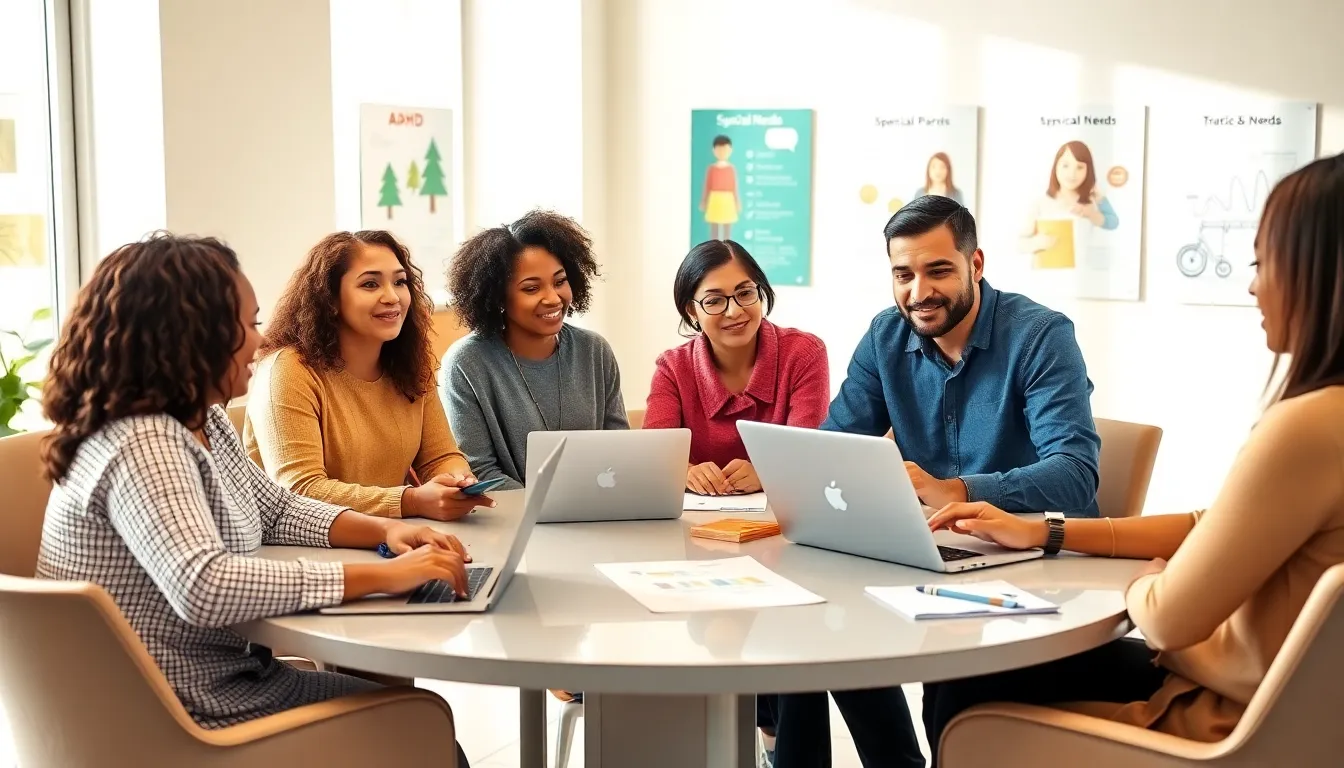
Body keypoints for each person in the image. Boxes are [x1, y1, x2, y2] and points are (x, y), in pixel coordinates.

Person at [921, 153, 1344, 764]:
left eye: (1262, 260)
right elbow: (1210, 523)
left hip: (1220, 725)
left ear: (1321, 272)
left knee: (966, 683)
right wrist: (1046, 530)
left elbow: (1169, 621)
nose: (1253, 284)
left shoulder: (1306, 427)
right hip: (1294, 710)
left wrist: (1148, 580)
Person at [34, 233, 472, 764]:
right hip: (178, 710)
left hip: (215, 680)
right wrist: (386, 575)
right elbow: (204, 584)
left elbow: (277, 508)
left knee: (420, 718)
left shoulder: (200, 419)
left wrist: (385, 531)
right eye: (246, 324)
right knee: (421, 725)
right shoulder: (145, 439)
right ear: (189, 335)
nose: (258, 342)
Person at [772, 194, 1101, 767]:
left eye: (938, 270)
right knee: (810, 624)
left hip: (1033, 568)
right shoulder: (885, 337)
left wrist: (963, 491)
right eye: (904, 274)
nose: (918, 291)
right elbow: (834, 446)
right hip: (933, 555)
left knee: (948, 691)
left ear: (976, 265)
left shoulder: (1041, 335)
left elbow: (1075, 474)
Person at [246, 230, 489, 520]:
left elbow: (440, 456)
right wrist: (410, 501)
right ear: (330, 300)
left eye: (400, 282)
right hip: (306, 549)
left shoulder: (410, 364)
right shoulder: (287, 370)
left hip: (393, 538)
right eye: (370, 284)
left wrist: (459, 482)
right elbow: (300, 490)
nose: (392, 297)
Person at [440, 210, 628, 493]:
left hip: (595, 512)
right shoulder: (466, 363)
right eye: (531, 288)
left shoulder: (594, 351)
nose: (553, 298)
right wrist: (551, 512)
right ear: (498, 297)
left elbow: (620, 450)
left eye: (560, 281)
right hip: (512, 522)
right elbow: (481, 471)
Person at [646, 239, 829, 496]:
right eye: (714, 301)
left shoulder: (804, 353)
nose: (734, 311)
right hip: (691, 523)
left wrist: (768, 472)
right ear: (692, 311)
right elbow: (654, 455)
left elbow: (810, 452)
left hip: (783, 519)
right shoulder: (673, 368)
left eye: (745, 293)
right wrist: (684, 471)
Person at [1019, 140, 1118, 261]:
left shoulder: (1094, 199)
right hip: (1047, 274)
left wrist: (1092, 213)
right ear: (1056, 167)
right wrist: (1036, 243)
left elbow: (1113, 223)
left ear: (1088, 170)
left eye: (1080, 167)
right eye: (1065, 165)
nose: (1072, 173)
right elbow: (1018, 243)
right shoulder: (1040, 203)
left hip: (1084, 273)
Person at [700, 135, 741, 241]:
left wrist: (737, 202)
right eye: (719, 150)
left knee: (727, 226)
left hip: (728, 199)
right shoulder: (711, 169)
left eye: (725, 149)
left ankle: (728, 246)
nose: (722, 152)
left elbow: (734, 187)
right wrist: (704, 201)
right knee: (714, 227)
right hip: (714, 199)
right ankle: (714, 247)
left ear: (730, 150)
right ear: (714, 150)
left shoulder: (731, 169)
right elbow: (707, 185)